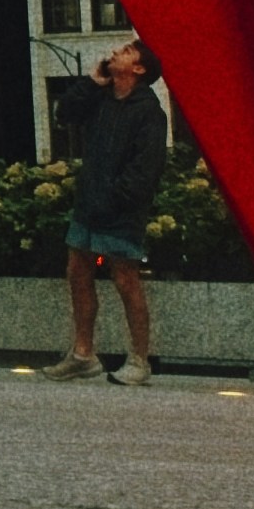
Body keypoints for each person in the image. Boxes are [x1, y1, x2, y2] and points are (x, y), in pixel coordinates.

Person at [60, 36, 168, 382]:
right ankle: (83, 353)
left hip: (121, 211)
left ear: (138, 68)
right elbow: (65, 112)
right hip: (90, 203)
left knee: (125, 278)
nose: (114, 53)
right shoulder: (102, 97)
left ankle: (139, 359)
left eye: (125, 51)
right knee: (78, 271)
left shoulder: (149, 111)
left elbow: (145, 167)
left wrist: (116, 200)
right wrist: (92, 82)